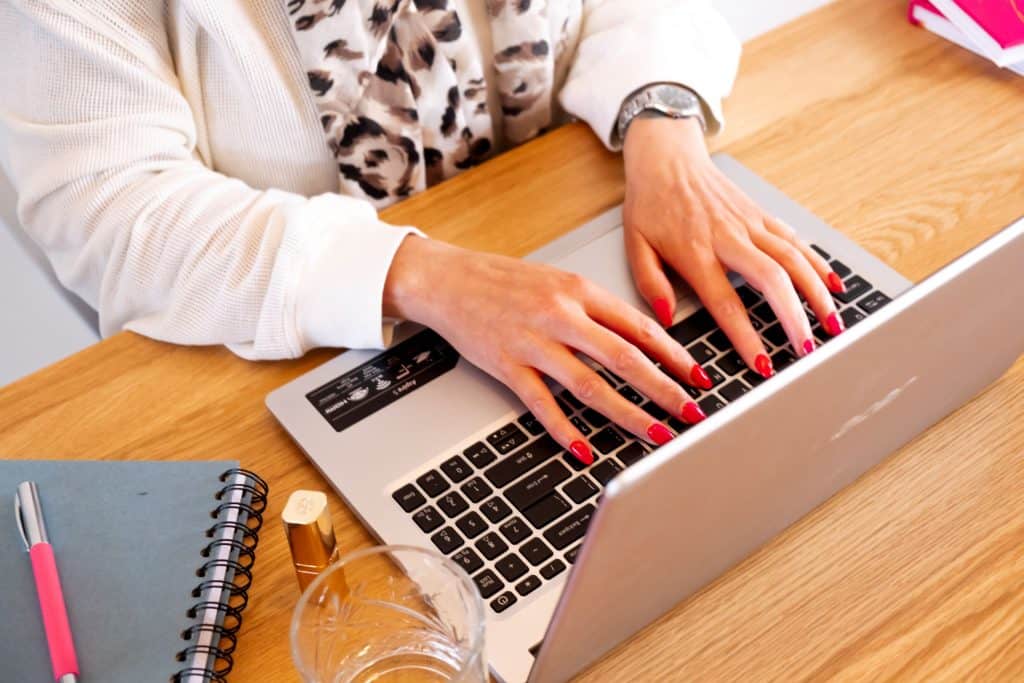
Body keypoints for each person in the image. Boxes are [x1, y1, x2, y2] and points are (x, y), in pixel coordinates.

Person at [0, 0, 845, 464]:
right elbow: (109, 205)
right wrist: (424, 276)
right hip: (298, 357)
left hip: (560, 236)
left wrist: (661, 119)